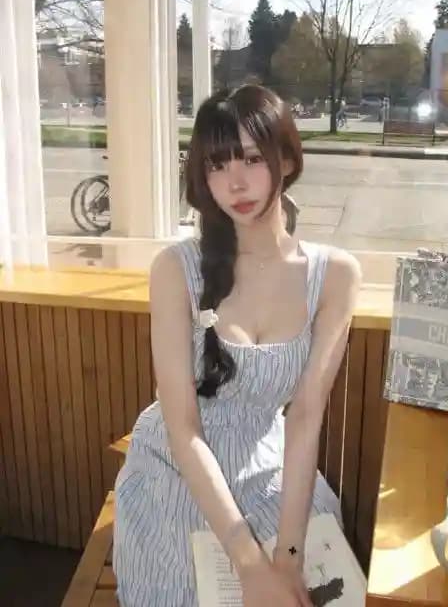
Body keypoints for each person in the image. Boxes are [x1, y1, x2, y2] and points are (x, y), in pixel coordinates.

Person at [113, 85, 362, 606]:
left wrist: (287, 557)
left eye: (252, 158)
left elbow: (305, 416)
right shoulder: (175, 269)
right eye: (217, 164)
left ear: (286, 159)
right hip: (179, 468)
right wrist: (249, 563)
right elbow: (184, 428)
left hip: (271, 466)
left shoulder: (335, 275)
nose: (236, 182)